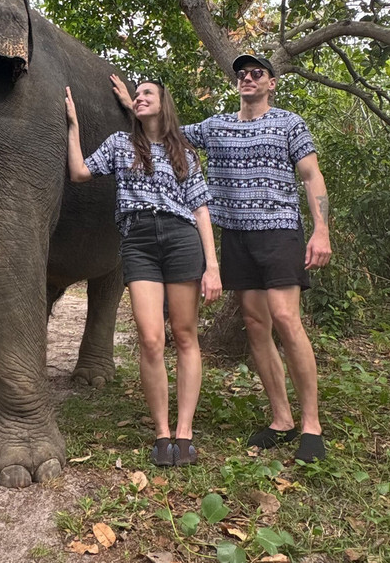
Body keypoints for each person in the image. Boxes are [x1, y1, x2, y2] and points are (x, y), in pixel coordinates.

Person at [112, 56, 332, 463]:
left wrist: (321, 229)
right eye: (242, 74)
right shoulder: (216, 127)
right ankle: (282, 419)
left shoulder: (289, 123)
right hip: (235, 236)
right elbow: (165, 130)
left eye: (256, 73)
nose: (248, 78)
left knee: (286, 318)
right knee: (256, 325)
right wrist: (132, 104)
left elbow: (311, 175)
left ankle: (311, 425)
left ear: (271, 83)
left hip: (279, 230)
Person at [65, 80, 222, 466]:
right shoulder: (120, 145)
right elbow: (80, 172)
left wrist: (212, 266)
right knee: (151, 339)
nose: (140, 97)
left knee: (184, 335)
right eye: (136, 95)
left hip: (181, 237)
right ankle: (162, 434)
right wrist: (73, 126)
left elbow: (200, 208)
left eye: (148, 93)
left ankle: (184, 433)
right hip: (138, 242)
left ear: (163, 103)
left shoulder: (183, 150)